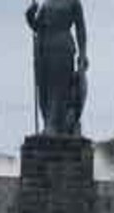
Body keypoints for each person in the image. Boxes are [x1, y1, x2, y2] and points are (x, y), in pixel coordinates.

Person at [26, 0, 88, 136]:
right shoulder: (46, 4)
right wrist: (30, 16)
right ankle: (48, 124)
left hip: (63, 48)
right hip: (44, 49)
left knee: (58, 90)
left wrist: (83, 55)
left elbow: (81, 29)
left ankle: (54, 126)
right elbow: (39, 27)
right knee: (44, 90)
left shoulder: (73, 3)